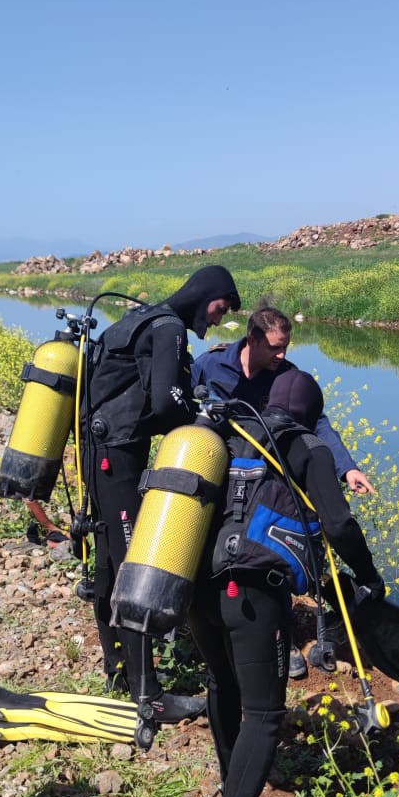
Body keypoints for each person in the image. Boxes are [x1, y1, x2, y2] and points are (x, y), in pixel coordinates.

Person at [188, 367, 385, 797]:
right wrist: (369, 576)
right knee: (266, 712)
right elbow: (338, 523)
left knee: (222, 683)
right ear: (312, 415)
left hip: (198, 588)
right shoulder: (306, 447)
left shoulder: (230, 434)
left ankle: (233, 786)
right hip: (253, 594)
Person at [82, 264, 240, 720]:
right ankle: (148, 696)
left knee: (111, 559)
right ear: (205, 294)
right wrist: (205, 415)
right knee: (137, 564)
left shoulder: (146, 318)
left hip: (99, 447)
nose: (217, 317)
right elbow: (167, 405)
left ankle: (118, 669)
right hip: (118, 455)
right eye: (220, 306)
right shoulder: (170, 329)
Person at [191, 306, 376, 678]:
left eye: (286, 347)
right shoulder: (210, 366)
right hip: (219, 470)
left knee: (271, 547)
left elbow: (316, 422)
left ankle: (282, 636)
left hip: (267, 481)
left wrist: (346, 467)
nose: (283, 356)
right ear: (252, 339)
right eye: (275, 348)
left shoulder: (285, 377)